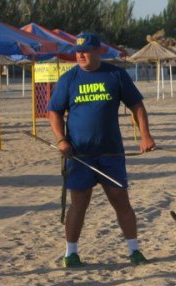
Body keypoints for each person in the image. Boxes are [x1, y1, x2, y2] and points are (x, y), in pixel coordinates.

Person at [48, 32, 155, 268]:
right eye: (77, 52)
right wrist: (61, 140)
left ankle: (134, 250)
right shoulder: (68, 79)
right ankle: (71, 254)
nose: (80, 55)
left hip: (111, 153)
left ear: (98, 51)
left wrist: (145, 135)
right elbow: (54, 111)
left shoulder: (116, 75)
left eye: (85, 51)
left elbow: (137, 105)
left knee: (120, 200)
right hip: (79, 155)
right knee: (79, 203)